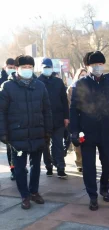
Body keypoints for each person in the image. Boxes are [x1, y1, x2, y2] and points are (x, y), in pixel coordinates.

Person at [0, 55, 53, 209]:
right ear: (17, 69)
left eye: (30, 67)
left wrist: (47, 130)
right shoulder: (7, 87)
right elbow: (1, 112)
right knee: (20, 168)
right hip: (17, 135)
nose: (27, 70)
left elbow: (47, 110)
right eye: (24, 67)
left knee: (36, 165)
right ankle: (24, 195)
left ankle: (34, 191)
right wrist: (3, 133)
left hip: (37, 133)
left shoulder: (40, 86)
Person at [70, 51, 109, 211]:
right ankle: (92, 195)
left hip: (105, 131)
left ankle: (104, 188)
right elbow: (73, 109)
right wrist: (74, 131)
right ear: (88, 66)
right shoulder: (81, 84)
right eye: (94, 65)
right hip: (87, 132)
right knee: (89, 166)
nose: (98, 67)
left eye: (100, 64)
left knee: (107, 163)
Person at [38, 58, 69, 179]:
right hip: (43, 120)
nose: (47, 69)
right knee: (45, 145)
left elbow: (64, 101)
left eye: (49, 67)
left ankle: (60, 167)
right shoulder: (37, 82)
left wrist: (66, 117)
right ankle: (49, 166)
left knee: (58, 144)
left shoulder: (58, 82)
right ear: (41, 68)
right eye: (45, 67)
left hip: (58, 119)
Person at [67, 67, 87, 172]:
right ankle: (79, 162)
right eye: (81, 75)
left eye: (85, 75)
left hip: (86, 119)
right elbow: (69, 105)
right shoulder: (71, 89)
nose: (83, 77)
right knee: (77, 142)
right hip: (75, 119)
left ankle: (86, 161)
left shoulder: (90, 88)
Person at [0, 58, 17, 180]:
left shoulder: (17, 79)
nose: (11, 68)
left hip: (17, 116)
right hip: (6, 118)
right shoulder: (2, 80)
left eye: (13, 66)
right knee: (10, 147)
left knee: (19, 146)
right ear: (5, 67)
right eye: (9, 66)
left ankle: (19, 166)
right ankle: (13, 168)